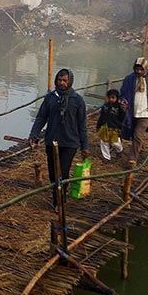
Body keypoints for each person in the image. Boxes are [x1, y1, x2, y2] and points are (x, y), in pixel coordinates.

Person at [28, 68, 89, 205]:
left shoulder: (77, 100)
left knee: (62, 171)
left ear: (70, 82)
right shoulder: (50, 98)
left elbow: (82, 125)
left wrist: (84, 146)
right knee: (52, 172)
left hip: (70, 142)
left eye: (64, 81)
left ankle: (60, 201)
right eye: (59, 80)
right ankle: (57, 195)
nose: (61, 83)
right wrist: (34, 135)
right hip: (52, 140)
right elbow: (41, 117)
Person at [119, 58, 148, 163]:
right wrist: (123, 100)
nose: (138, 72)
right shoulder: (129, 79)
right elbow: (123, 93)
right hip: (132, 111)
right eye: (136, 69)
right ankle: (140, 147)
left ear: (145, 69)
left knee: (138, 134)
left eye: (141, 69)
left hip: (146, 112)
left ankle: (132, 158)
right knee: (133, 132)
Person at [95, 90, 125, 161]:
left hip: (115, 127)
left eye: (113, 98)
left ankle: (120, 150)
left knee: (115, 143)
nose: (111, 99)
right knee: (104, 142)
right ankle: (106, 157)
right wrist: (98, 126)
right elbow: (101, 116)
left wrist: (121, 126)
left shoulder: (119, 107)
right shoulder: (105, 106)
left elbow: (122, 118)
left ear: (117, 98)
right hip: (105, 127)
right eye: (109, 98)